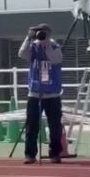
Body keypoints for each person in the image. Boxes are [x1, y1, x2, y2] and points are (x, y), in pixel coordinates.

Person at [19, 24, 64, 164]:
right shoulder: (32, 46)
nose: (41, 36)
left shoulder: (54, 46)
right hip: (35, 93)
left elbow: (56, 59)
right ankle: (30, 154)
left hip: (52, 93)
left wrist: (47, 45)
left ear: (49, 34)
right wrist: (28, 38)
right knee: (32, 125)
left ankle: (55, 153)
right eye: (39, 33)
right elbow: (22, 54)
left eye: (44, 33)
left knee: (55, 126)